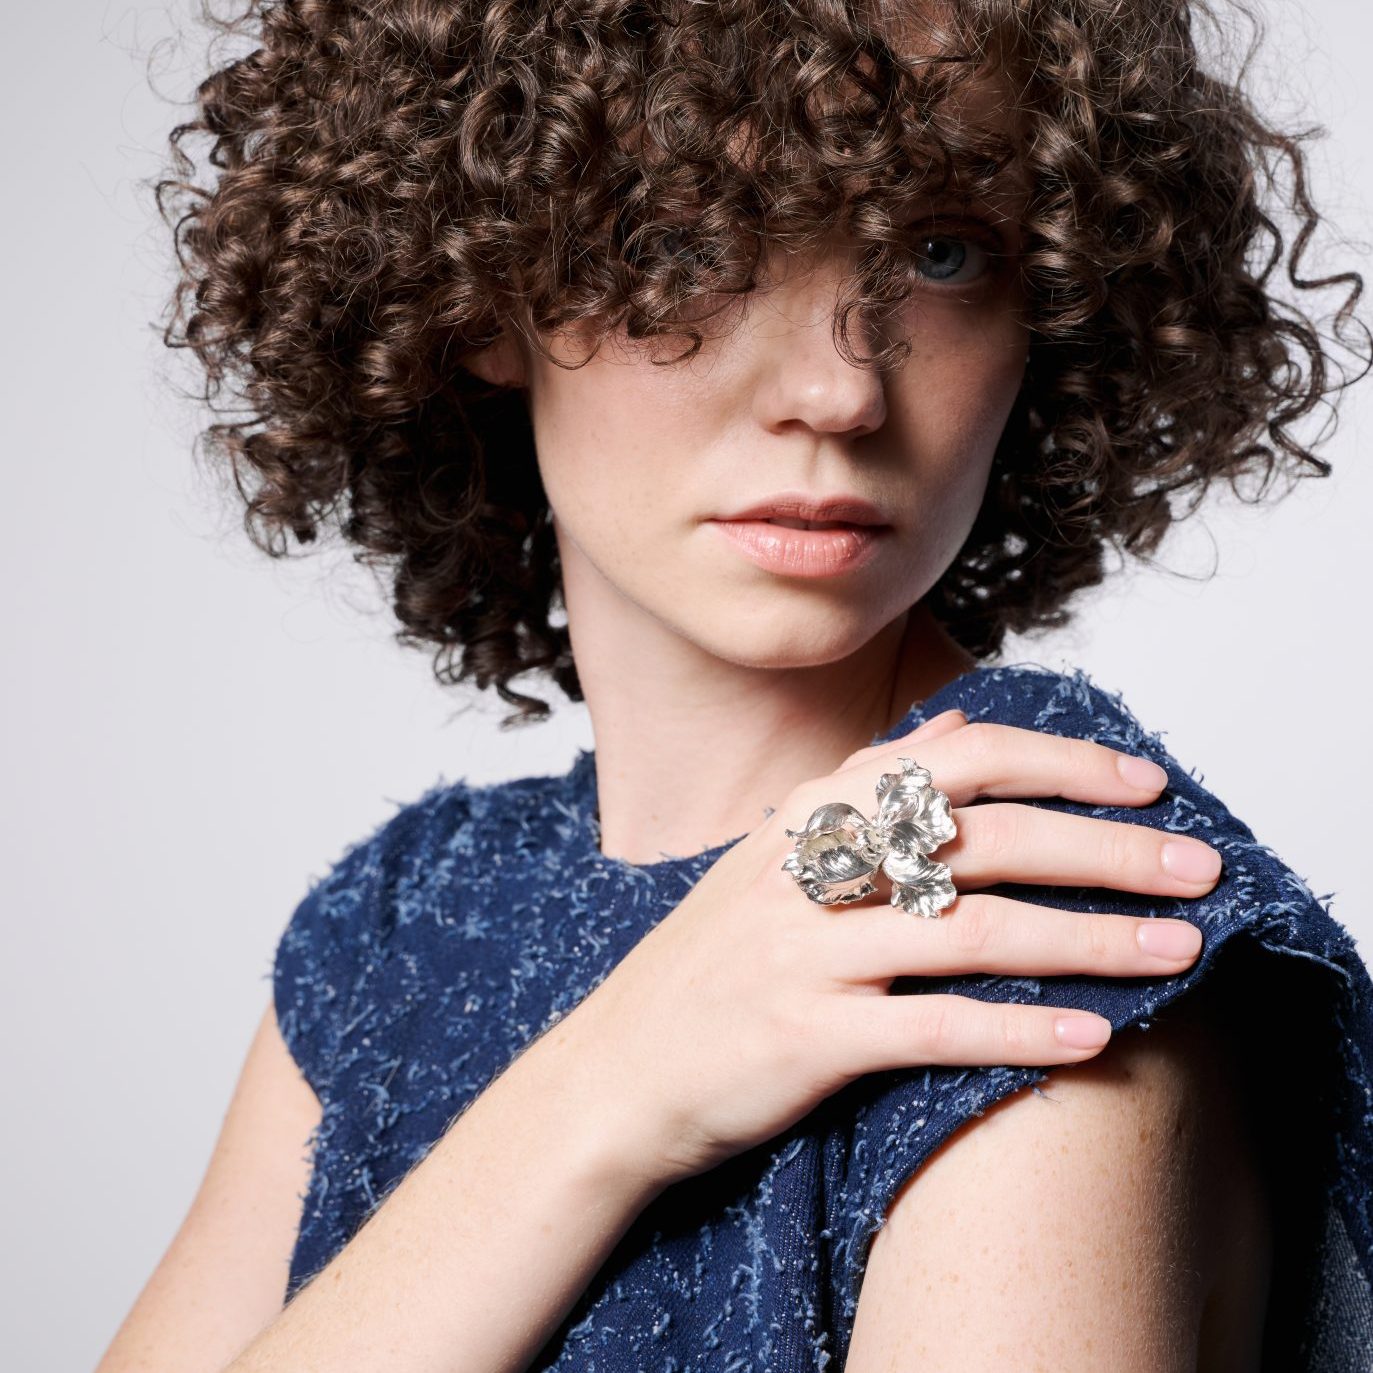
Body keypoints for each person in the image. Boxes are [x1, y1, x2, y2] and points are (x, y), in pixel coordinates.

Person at [98, 0, 1373, 1369]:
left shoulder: (1019, 904)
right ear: (477, 292)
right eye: (689, 240)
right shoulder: (400, 922)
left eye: (942, 251)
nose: (840, 391)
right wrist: (604, 1088)